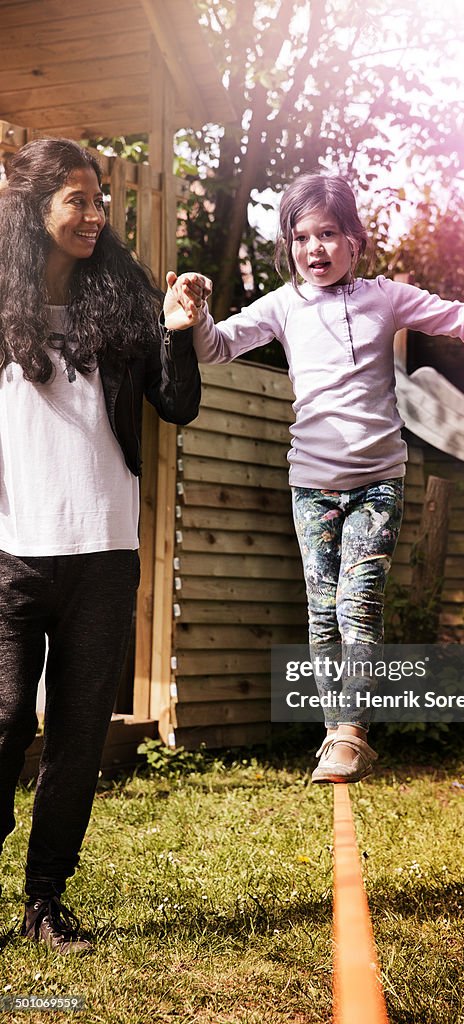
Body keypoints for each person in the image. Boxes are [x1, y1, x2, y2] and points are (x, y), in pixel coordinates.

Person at [164, 172, 464, 785]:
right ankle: (335, 731)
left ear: (354, 238)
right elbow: (216, 349)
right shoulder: (282, 306)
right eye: (301, 237)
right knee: (322, 610)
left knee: (359, 598)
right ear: (288, 246)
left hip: (378, 481)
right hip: (311, 484)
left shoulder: (386, 298)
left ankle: (351, 731)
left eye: (328, 233)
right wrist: (194, 316)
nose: (314, 249)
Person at [0, 137, 201, 953]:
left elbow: (177, 403)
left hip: (106, 551)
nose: (94, 214)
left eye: (99, 200)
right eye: (75, 200)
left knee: (79, 735)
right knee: (5, 719)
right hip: (11, 551)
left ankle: (44, 901)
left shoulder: (123, 293)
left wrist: (179, 330)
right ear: (33, 211)